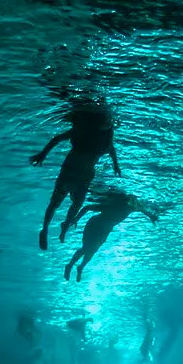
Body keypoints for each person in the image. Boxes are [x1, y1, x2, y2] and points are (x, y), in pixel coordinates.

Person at [30, 96, 121, 251]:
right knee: (56, 203)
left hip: (81, 174)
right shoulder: (83, 131)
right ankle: (45, 229)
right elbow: (57, 138)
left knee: (74, 203)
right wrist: (42, 154)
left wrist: (116, 165)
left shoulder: (105, 137)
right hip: (73, 172)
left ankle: (64, 227)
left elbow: (111, 149)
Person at [63, 192, 158, 282]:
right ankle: (70, 265)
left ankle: (80, 267)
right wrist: (76, 219)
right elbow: (87, 207)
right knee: (87, 248)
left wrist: (151, 216)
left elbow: (142, 209)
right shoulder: (111, 206)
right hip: (94, 226)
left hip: (105, 230)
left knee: (92, 250)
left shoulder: (131, 207)